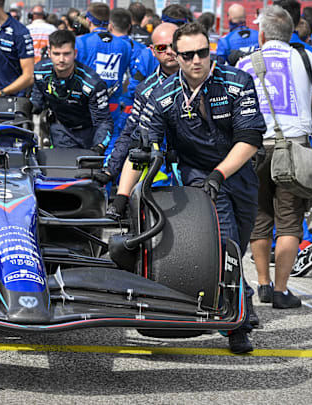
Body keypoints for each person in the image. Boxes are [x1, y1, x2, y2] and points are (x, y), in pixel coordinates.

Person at [112, 22, 266, 354]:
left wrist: (221, 174)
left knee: (238, 243)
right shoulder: (161, 96)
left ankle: (242, 309)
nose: (196, 60)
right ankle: (238, 324)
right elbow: (141, 150)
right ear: (176, 57)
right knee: (226, 246)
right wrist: (122, 196)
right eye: (188, 54)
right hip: (200, 180)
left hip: (238, 172)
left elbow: (251, 139)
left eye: (202, 52)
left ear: (211, 51)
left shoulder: (237, 82)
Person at [238, 5, 312, 309]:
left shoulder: (246, 62)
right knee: (289, 222)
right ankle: (281, 290)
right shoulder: (306, 57)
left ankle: (262, 283)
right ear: (291, 33)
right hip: (293, 147)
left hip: (255, 148)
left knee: (260, 217)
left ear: (261, 33)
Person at [103, 22, 179, 182]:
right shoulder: (146, 90)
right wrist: (110, 170)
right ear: (152, 51)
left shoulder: (203, 77)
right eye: (162, 48)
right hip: (164, 166)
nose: (169, 52)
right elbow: (130, 131)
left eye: (174, 46)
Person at [31, 30, 113, 151]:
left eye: (66, 54)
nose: (61, 59)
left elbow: (104, 121)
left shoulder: (92, 83)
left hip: (88, 131)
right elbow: (36, 102)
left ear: (75, 53)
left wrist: (99, 146)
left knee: (87, 167)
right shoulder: (40, 72)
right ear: (49, 53)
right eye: (56, 54)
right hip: (60, 129)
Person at [74, 4, 133, 156]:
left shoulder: (80, 42)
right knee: (110, 144)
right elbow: (125, 74)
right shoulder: (125, 45)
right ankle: (108, 176)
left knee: (83, 147)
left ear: (88, 20)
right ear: (109, 21)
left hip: (85, 104)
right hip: (112, 103)